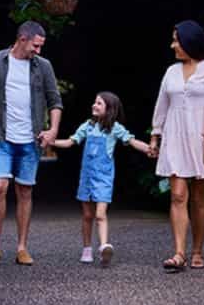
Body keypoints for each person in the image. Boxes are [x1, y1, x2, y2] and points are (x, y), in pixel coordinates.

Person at [0, 21, 63, 268]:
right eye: (35, 46)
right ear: (22, 39)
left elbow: (55, 101)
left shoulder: (44, 66)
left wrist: (53, 130)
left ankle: (21, 247)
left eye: (41, 46)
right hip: (0, 135)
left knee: (25, 190)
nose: (38, 51)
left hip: (31, 138)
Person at [147, 20, 204, 272]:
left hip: (203, 139)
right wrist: (156, 134)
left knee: (198, 197)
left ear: (190, 41)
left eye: (176, 39)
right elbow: (162, 104)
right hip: (175, 138)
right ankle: (178, 253)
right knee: (177, 194)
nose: (173, 44)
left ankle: (197, 250)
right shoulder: (171, 72)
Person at [53, 92, 151, 267]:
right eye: (94, 102)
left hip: (104, 178)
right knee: (87, 215)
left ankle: (104, 246)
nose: (94, 105)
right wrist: (50, 141)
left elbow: (132, 140)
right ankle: (87, 249)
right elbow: (70, 142)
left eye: (99, 103)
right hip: (87, 177)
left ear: (109, 109)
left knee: (100, 214)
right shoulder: (88, 126)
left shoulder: (115, 128)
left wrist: (148, 149)